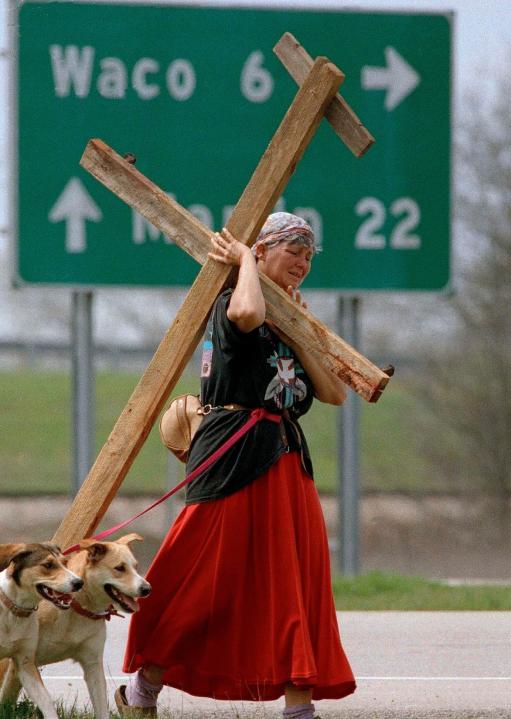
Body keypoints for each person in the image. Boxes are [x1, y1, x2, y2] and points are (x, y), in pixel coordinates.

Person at [116, 212, 356, 719]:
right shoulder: (232, 302)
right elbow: (247, 312)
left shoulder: (288, 322)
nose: (304, 261)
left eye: (310, 254)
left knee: (295, 586)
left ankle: (299, 705)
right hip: (234, 457)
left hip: (287, 463)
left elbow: (334, 391)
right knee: (204, 579)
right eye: (294, 250)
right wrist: (244, 258)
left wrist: (305, 332)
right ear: (264, 250)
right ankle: (143, 690)